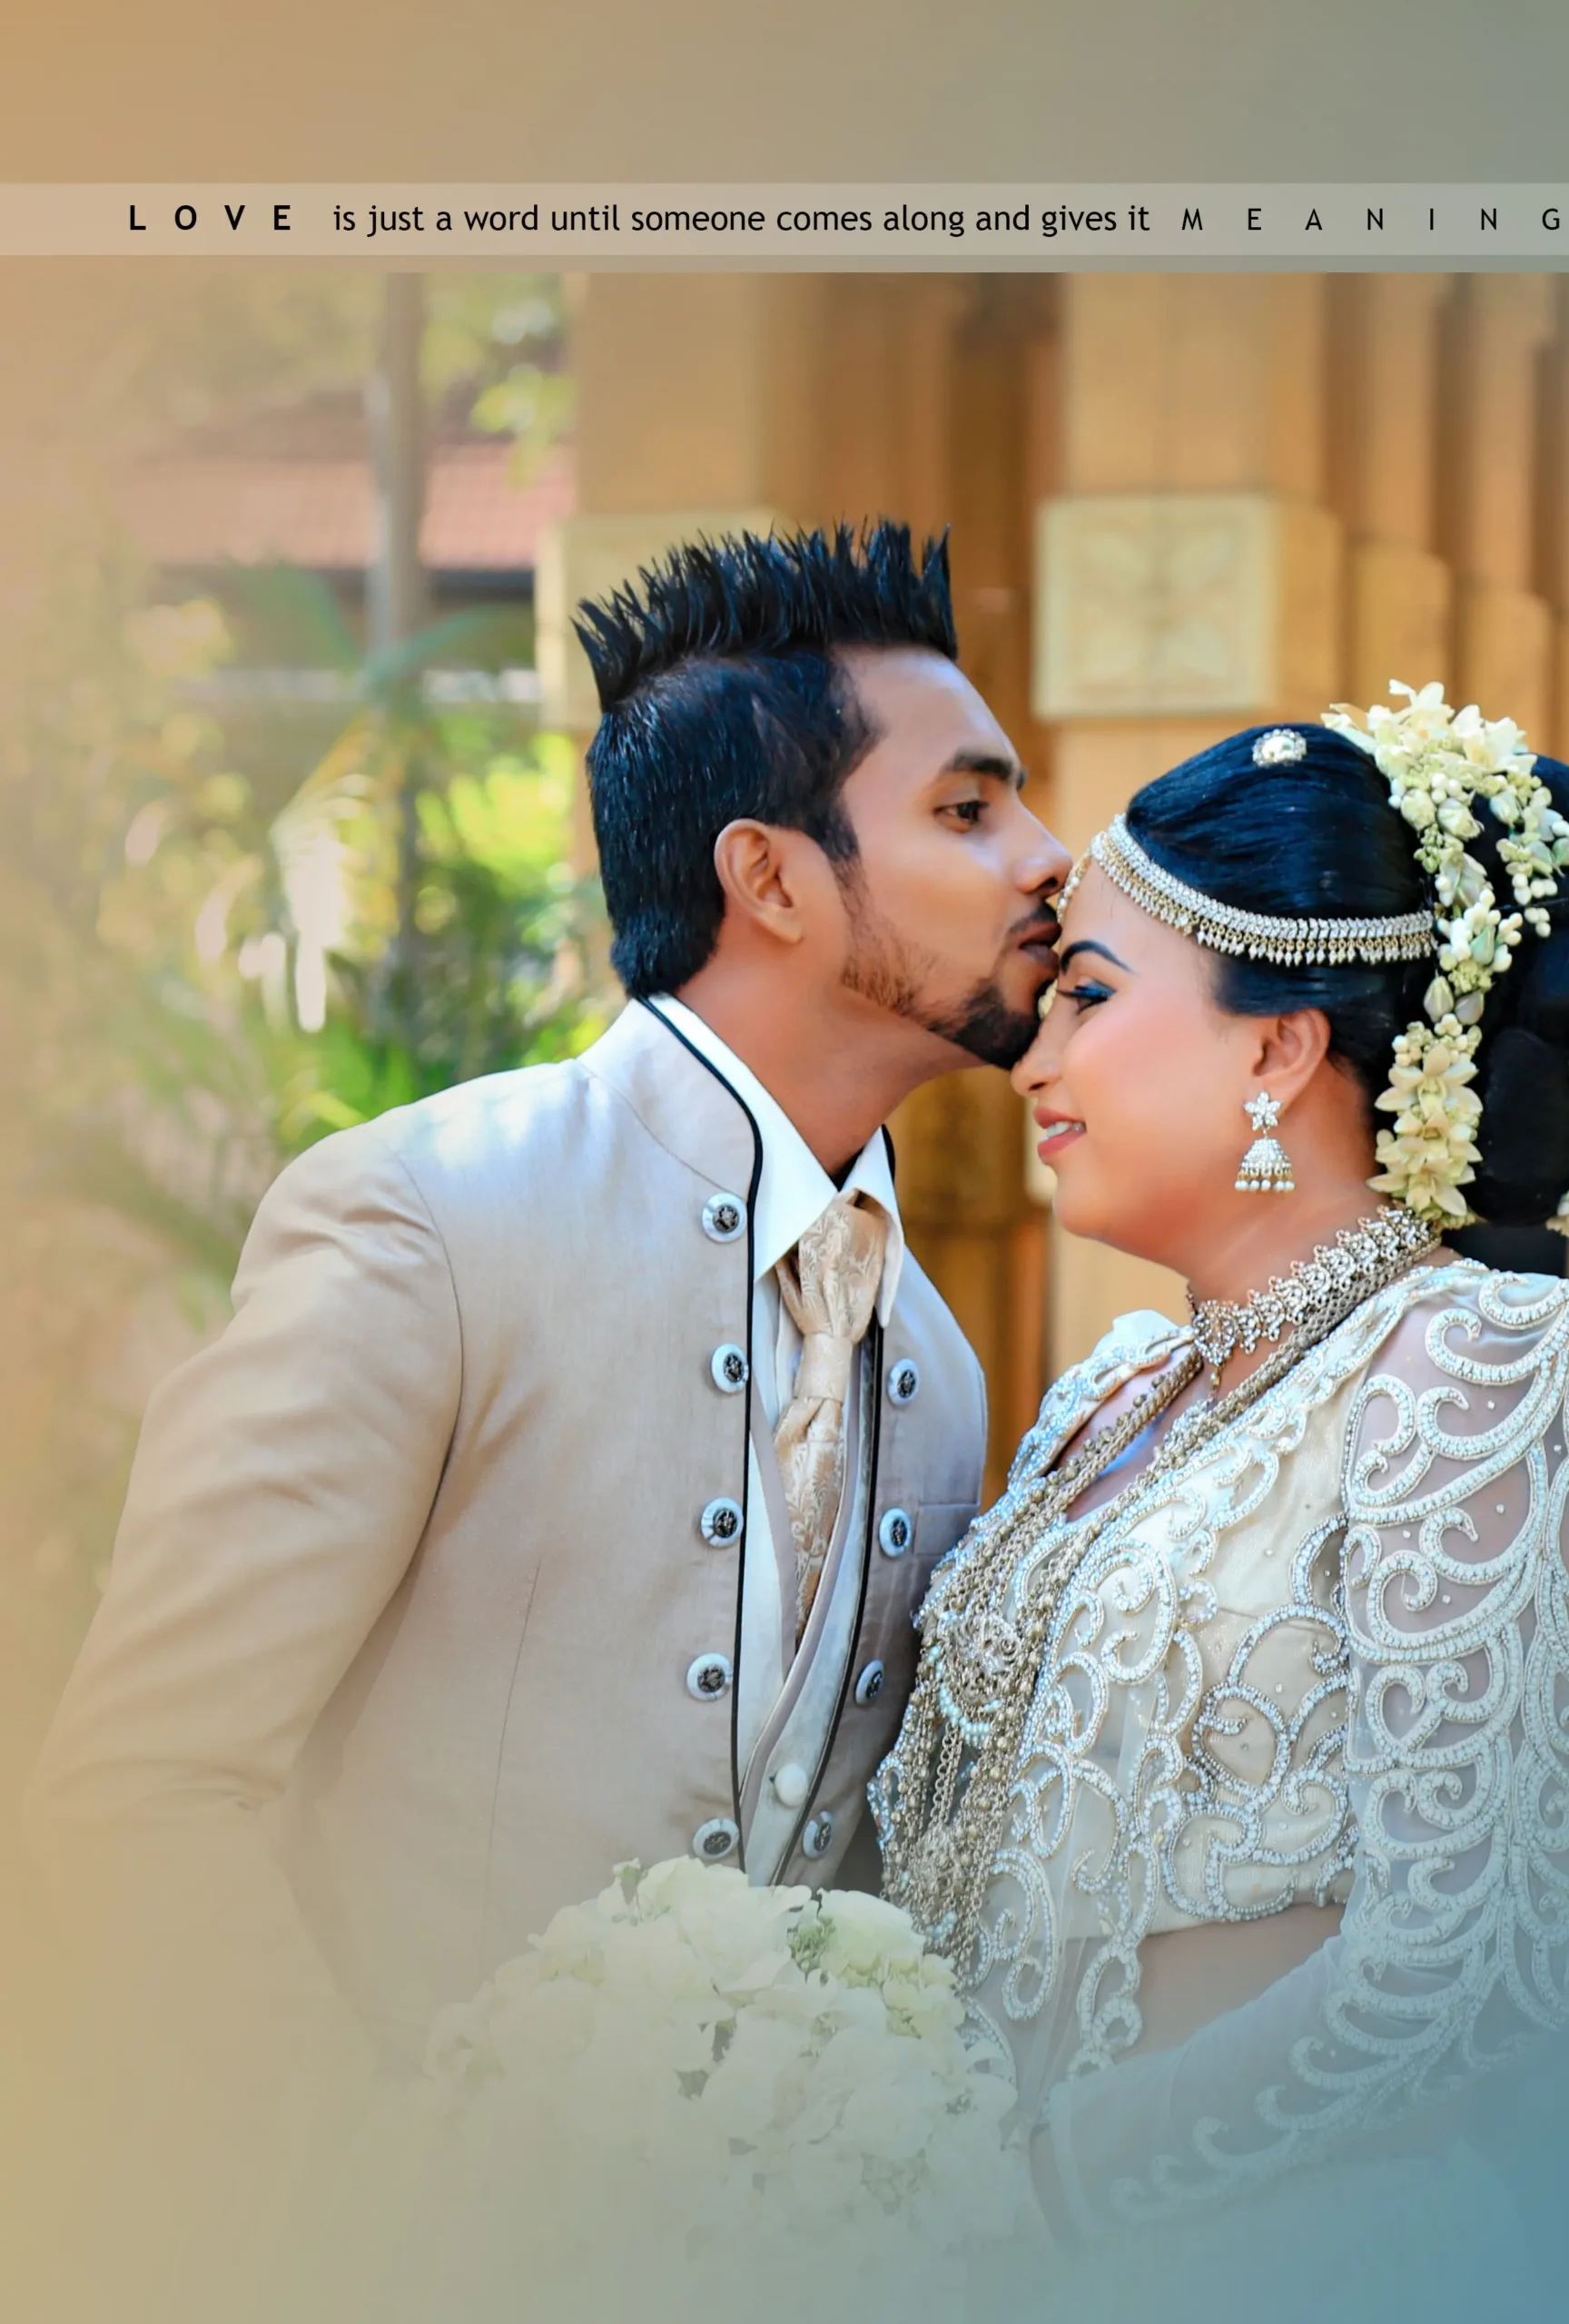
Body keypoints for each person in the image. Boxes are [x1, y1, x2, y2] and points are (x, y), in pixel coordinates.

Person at [19, 522, 1071, 2294]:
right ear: (773, 877)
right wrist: (371, 2180)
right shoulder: (427, 1220)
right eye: (969, 810)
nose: (1051, 857)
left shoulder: (938, 1362)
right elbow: (141, 1788)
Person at [871, 686, 1569, 2269]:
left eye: (1087, 995)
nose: (1032, 1060)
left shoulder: (1467, 1363)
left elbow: (1468, 1962)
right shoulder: (1112, 1398)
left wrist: (1047, 2194)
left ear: (1276, 1045)